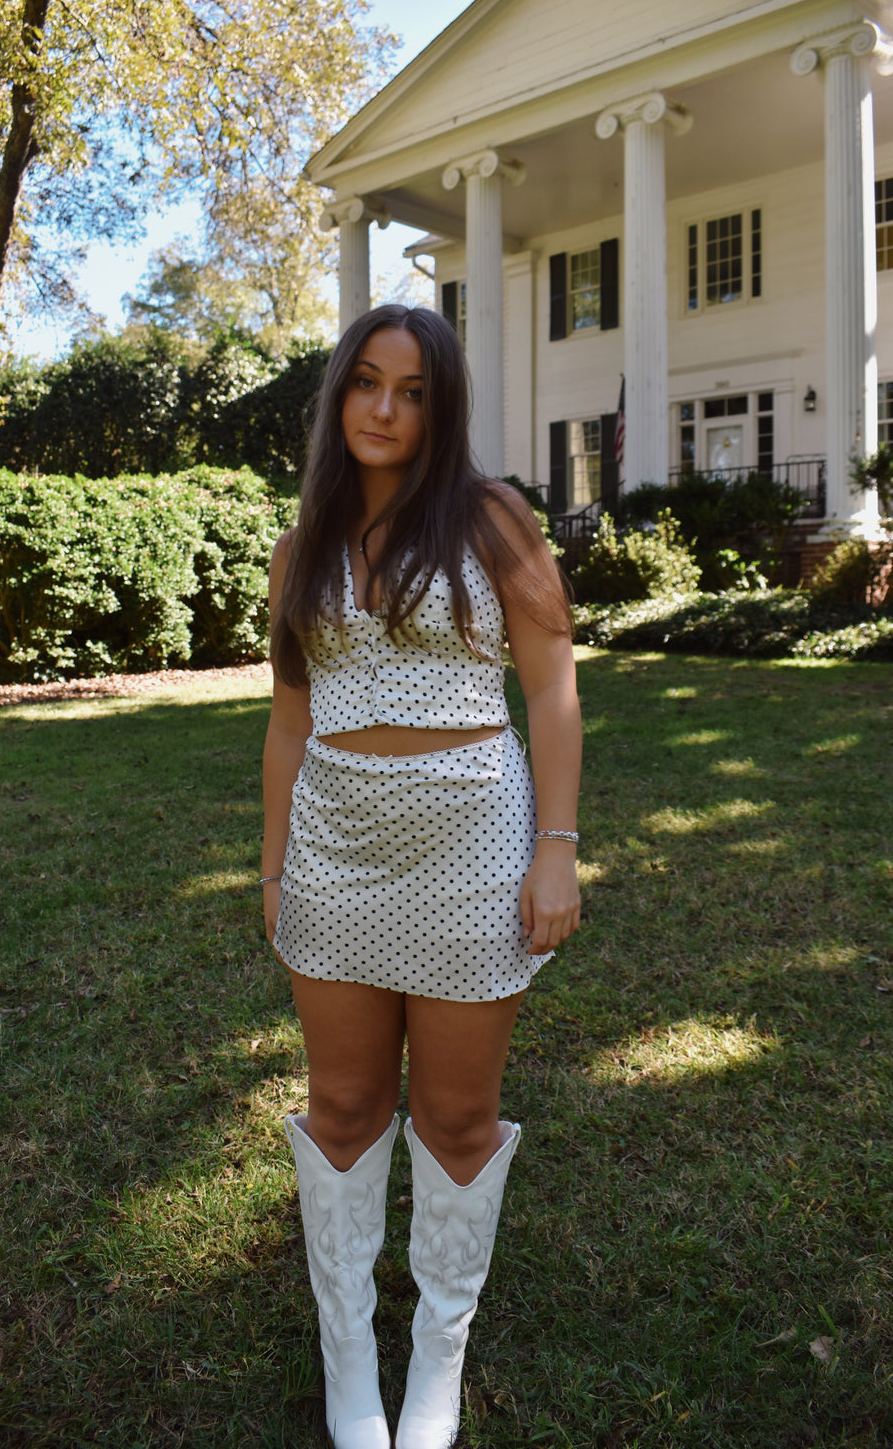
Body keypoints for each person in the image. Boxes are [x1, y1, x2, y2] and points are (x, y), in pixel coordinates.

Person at [261, 304, 581, 1449]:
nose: (383, 409)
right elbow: (290, 718)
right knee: (343, 1106)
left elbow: (549, 687)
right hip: (335, 854)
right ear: (337, 394)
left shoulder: (492, 520)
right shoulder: (301, 544)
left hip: (474, 855)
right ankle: (351, 1358)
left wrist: (556, 847)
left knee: (454, 1115)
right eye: (364, 384)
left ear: (440, 410)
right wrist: (272, 866)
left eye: (411, 391)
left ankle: (433, 1363)